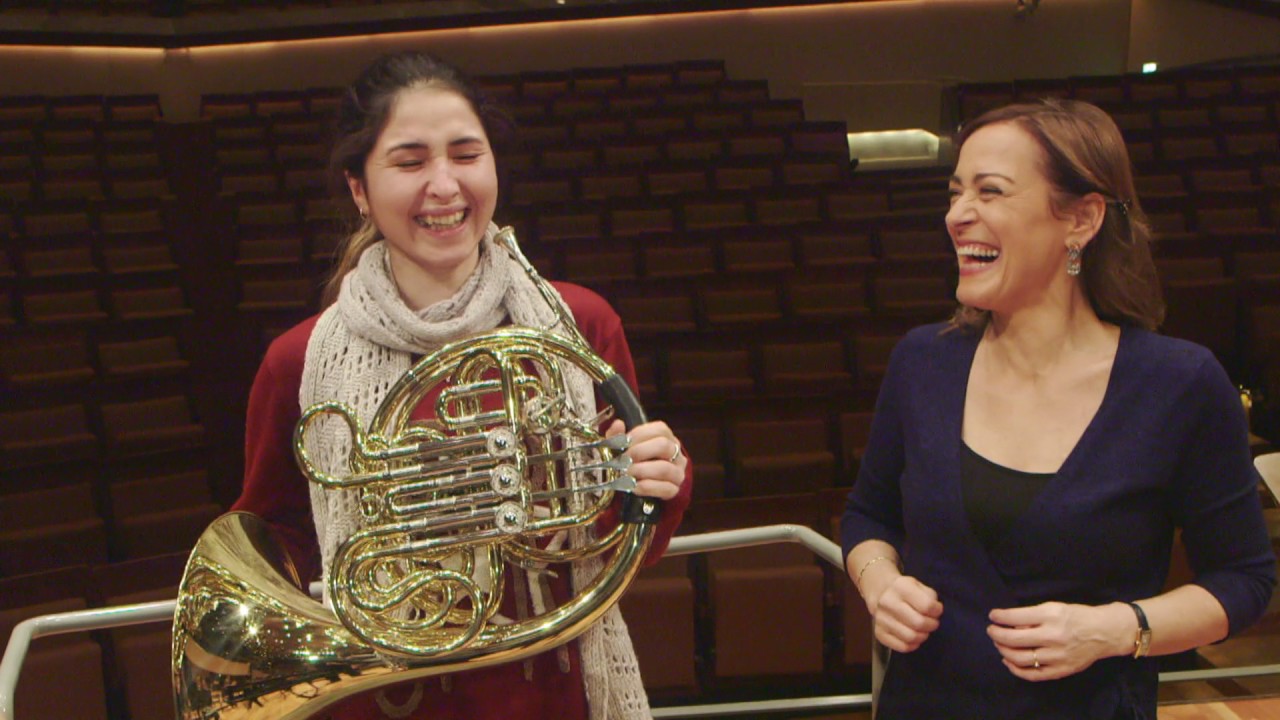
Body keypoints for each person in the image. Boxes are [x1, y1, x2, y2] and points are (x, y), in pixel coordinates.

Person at [231, 50, 693, 720]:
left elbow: (619, 535)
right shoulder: (296, 361)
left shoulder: (580, 325)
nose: (444, 185)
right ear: (359, 189)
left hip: (548, 691)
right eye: (410, 161)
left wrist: (653, 481)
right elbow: (276, 546)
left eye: (466, 154)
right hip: (387, 699)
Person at [840, 98, 1276, 719]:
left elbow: (1244, 580)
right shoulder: (921, 361)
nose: (957, 215)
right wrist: (879, 582)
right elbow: (868, 516)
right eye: (956, 192)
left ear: (1081, 219)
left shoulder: (1180, 384)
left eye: (990, 191)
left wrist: (1115, 629)